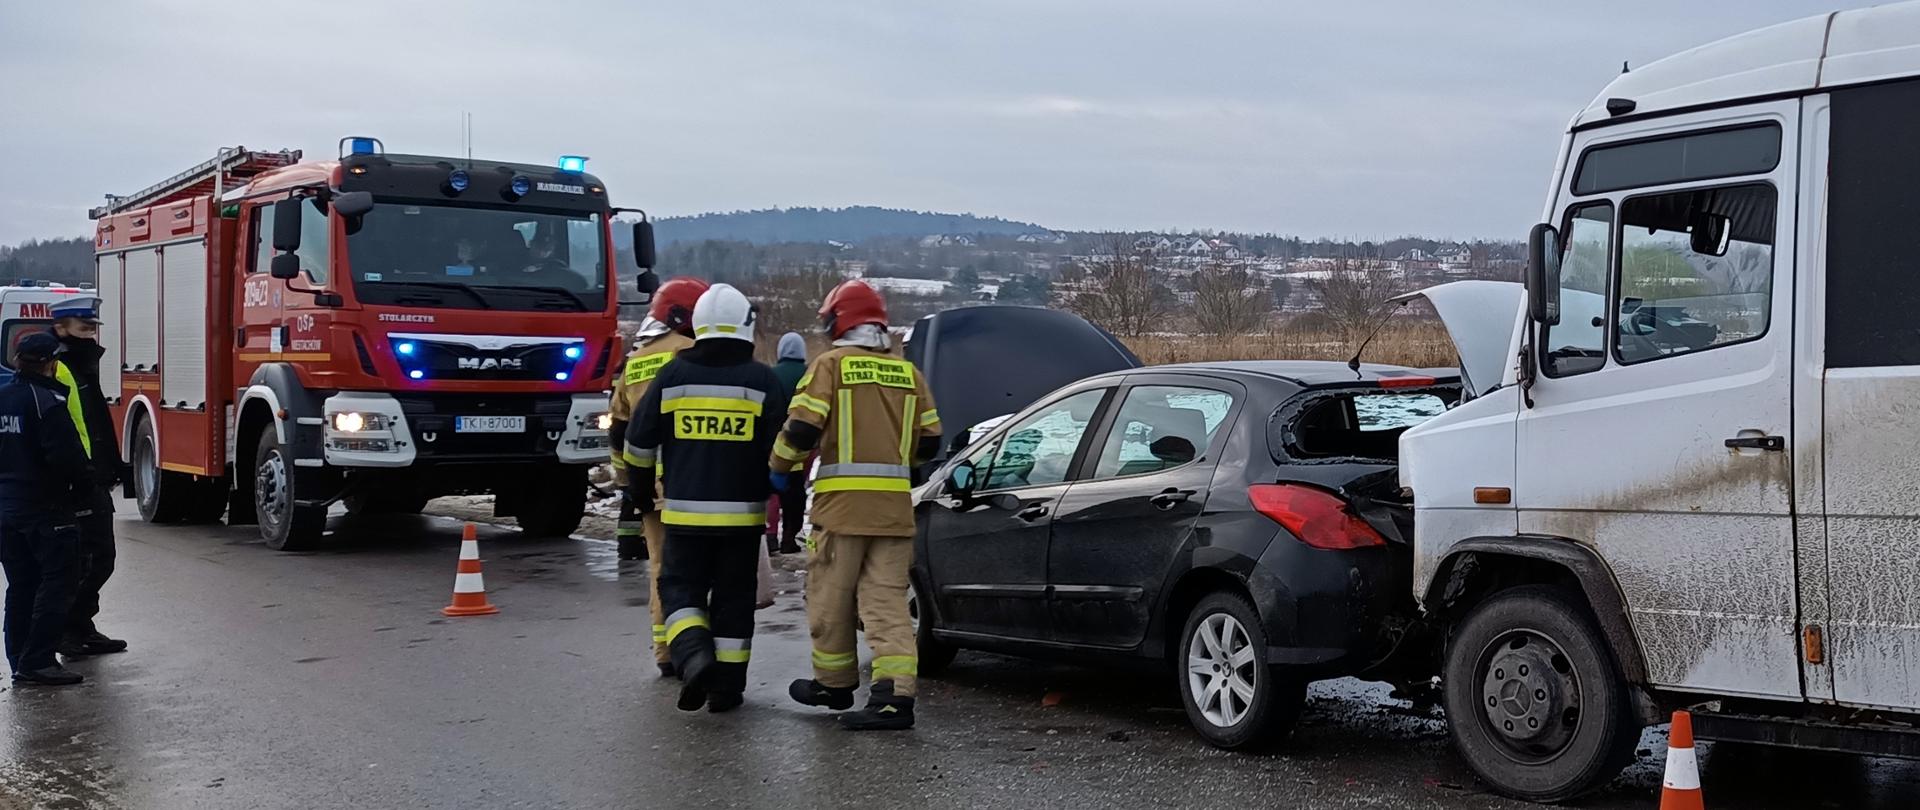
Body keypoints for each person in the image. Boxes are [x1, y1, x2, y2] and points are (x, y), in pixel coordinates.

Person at [775, 280, 941, 731]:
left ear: (837, 321)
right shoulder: (908, 374)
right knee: (886, 603)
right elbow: (930, 441)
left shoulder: (829, 366)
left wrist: (778, 467)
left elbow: (801, 432)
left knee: (830, 595)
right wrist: (894, 457)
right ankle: (893, 698)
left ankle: (833, 683)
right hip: (893, 511)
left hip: (842, 510)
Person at [624, 284, 788, 713]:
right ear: (746, 327)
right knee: (734, 600)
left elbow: (638, 442)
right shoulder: (762, 379)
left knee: (680, 591)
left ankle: (695, 656)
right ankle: (727, 689)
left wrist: (639, 493)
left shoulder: (674, 375)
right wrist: (774, 488)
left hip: (684, 517)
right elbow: (783, 451)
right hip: (742, 521)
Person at [608, 276, 708, 677]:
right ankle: (699, 649)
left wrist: (628, 485)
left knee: (661, 569)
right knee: (699, 570)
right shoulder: (693, 353)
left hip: (650, 486)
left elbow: (618, 429)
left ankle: (665, 650)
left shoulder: (637, 361)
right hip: (694, 483)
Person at [0, 334, 93, 686]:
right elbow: (67, 458)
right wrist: (87, 490)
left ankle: (19, 659)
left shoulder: (4, 396)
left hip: (9, 508)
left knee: (21, 585)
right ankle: (38, 659)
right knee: (58, 583)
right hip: (46, 509)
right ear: (50, 363)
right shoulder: (47, 403)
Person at [48, 295, 128, 658]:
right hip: (75, 481)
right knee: (87, 560)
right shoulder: (62, 368)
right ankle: (67, 630)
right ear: (61, 328)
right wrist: (80, 474)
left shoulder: (82, 366)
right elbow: (64, 431)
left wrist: (114, 466)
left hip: (93, 477)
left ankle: (81, 626)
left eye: (93, 328)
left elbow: (95, 423)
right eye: (83, 328)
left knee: (100, 558)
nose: (90, 335)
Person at [767, 332, 809, 555]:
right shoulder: (810, 374)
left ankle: (771, 534)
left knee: (774, 491)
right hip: (803, 443)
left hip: (773, 442)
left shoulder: (770, 375)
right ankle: (790, 538)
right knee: (796, 491)